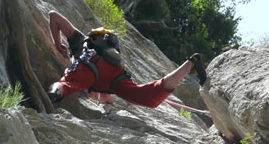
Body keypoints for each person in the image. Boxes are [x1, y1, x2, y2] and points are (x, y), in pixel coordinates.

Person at [47, 10, 207, 108]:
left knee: (65, 84)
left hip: (89, 67)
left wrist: (57, 43)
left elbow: (53, 15)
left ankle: (54, 93)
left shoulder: (80, 42)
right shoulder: (107, 61)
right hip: (114, 72)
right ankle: (189, 65)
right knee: (149, 97)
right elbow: (105, 97)